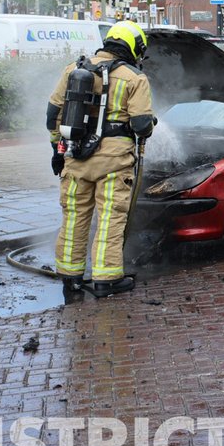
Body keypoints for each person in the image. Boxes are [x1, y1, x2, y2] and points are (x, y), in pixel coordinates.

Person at [46, 21, 155, 298]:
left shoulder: (74, 69)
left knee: (73, 217)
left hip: (74, 156)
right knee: (110, 218)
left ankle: (70, 277)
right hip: (114, 162)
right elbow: (142, 125)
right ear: (133, 47)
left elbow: (53, 113)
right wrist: (148, 124)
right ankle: (106, 279)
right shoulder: (134, 78)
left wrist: (56, 150)